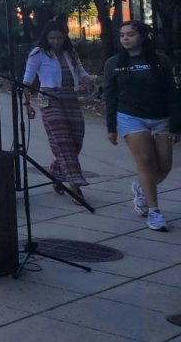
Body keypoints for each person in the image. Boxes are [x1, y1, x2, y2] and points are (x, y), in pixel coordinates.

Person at [104, 19, 181, 232]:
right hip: (130, 116)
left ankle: (141, 188)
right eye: (122, 35)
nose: (125, 38)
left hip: (161, 117)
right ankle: (154, 211)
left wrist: (176, 125)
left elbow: (174, 93)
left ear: (142, 36)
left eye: (130, 34)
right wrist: (111, 127)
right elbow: (109, 96)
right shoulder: (114, 63)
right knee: (146, 162)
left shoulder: (161, 61)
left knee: (164, 166)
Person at [23, 24, 98, 205]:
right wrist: (27, 104)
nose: (56, 41)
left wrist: (94, 79)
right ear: (46, 39)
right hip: (49, 99)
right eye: (52, 38)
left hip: (70, 98)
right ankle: (75, 186)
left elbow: (82, 74)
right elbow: (27, 80)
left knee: (75, 140)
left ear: (65, 37)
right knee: (63, 142)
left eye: (59, 38)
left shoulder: (71, 53)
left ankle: (57, 173)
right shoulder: (38, 53)